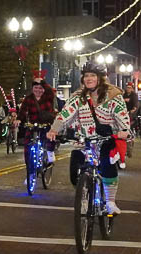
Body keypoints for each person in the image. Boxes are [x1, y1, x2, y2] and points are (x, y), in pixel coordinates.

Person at [48, 61, 131, 214]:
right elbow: (65, 114)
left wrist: (124, 131)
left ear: (100, 78)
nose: (89, 78)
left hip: (106, 139)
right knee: (75, 171)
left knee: (107, 165)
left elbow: (122, 116)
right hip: (84, 140)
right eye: (86, 75)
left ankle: (110, 201)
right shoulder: (78, 96)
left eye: (93, 75)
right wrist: (54, 129)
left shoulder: (113, 95)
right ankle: (84, 196)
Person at [17, 75, 58, 165]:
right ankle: (30, 173)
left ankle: (50, 152)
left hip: (46, 123)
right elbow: (23, 111)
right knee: (27, 146)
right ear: (32, 88)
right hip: (33, 124)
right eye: (36, 88)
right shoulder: (28, 99)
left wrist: (42, 82)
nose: (38, 90)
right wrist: (19, 120)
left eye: (40, 88)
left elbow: (50, 91)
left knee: (49, 137)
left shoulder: (48, 96)